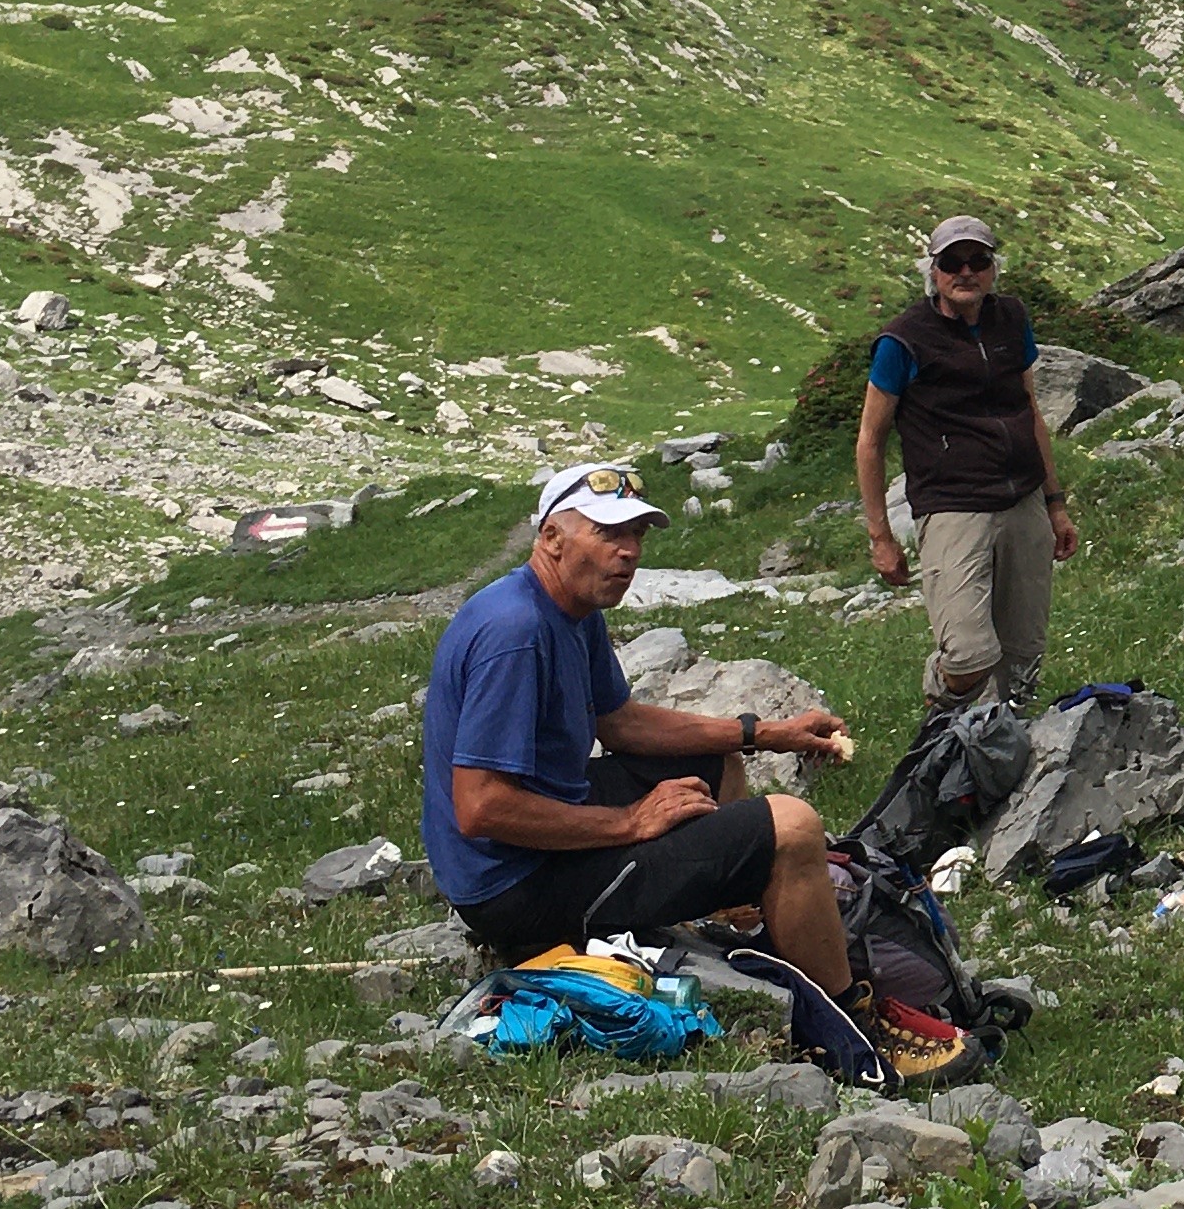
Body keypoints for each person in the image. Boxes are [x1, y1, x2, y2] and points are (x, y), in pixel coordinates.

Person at [419, 460, 980, 1088]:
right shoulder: (516, 633)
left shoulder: (565, 610)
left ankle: (739, 910)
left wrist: (763, 733)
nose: (629, 552)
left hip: (535, 842)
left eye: (636, 535)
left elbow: (621, 722)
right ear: (551, 537)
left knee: (712, 761)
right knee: (793, 826)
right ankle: (853, 1031)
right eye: (608, 533)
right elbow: (481, 807)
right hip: (513, 889)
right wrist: (629, 822)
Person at [855, 214, 1076, 707]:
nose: (966, 272)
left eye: (978, 260)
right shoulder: (902, 341)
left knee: (1022, 654)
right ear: (933, 271)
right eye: (952, 262)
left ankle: (999, 736)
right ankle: (942, 702)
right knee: (969, 655)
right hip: (952, 506)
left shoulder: (1010, 318)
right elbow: (870, 440)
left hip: (1022, 500)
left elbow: (1029, 408)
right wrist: (881, 537)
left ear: (994, 268)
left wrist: (1055, 504)